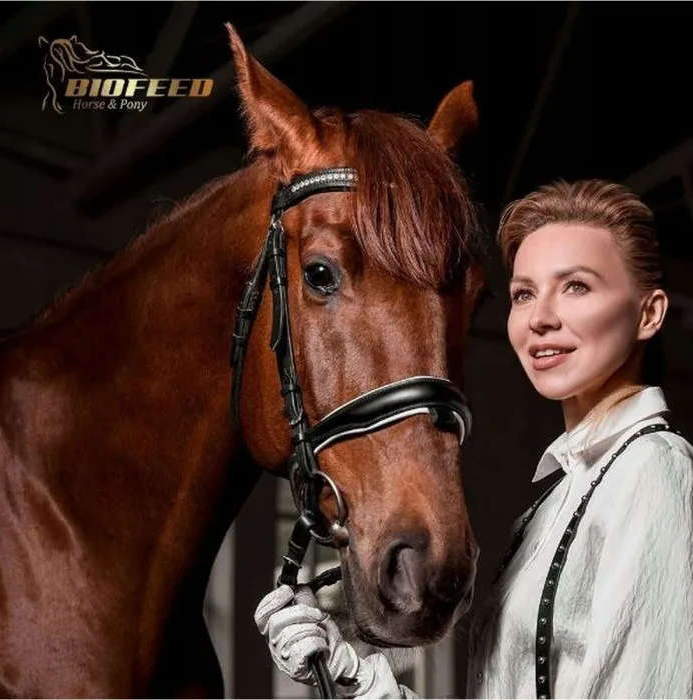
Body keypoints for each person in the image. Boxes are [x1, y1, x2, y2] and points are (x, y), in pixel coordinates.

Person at [254, 179, 693, 699]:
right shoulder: (560, 496)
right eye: (524, 293)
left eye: (576, 286)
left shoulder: (652, 470)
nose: (540, 318)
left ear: (649, 313)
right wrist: (350, 672)